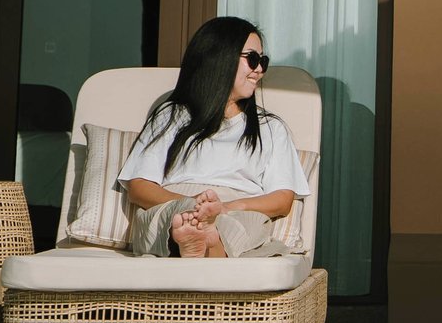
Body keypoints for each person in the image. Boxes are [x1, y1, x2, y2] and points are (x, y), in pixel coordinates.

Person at [118, 16, 310, 259]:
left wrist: (226, 208)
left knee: (238, 226)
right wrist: (191, 204)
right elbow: (139, 187)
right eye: (252, 59)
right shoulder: (171, 116)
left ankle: (203, 243)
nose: (259, 70)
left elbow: (282, 199)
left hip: (237, 209)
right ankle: (201, 240)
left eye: (263, 61)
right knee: (174, 218)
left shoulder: (270, 128)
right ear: (220, 57)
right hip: (175, 203)